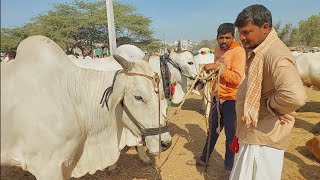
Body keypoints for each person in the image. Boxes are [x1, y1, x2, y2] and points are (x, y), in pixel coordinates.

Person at [230, 4, 307, 180]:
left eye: (247, 32)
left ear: (265, 27)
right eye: (240, 32)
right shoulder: (262, 51)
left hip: (263, 141)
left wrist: (266, 106)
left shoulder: (275, 54)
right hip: (255, 135)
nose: (241, 38)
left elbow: (296, 96)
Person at [187, 23, 246, 175]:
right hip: (217, 96)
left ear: (233, 37)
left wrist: (217, 67)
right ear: (217, 38)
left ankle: (228, 169)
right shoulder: (218, 50)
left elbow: (238, 78)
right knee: (212, 130)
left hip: (232, 99)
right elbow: (217, 71)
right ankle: (204, 159)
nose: (224, 40)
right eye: (221, 37)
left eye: (228, 37)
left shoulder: (239, 52)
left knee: (230, 135)